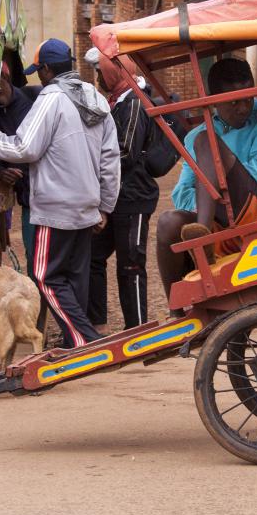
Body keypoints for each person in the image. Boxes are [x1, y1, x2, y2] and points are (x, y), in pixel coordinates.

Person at [0, 38, 120, 349]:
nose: (38, 77)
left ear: (47, 70)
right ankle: (81, 338)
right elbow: (110, 157)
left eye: (39, 71)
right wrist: (105, 205)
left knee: (45, 276)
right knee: (75, 277)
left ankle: (83, 339)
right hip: (86, 203)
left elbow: (24, 147)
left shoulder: (51, 98)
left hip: (55, 205)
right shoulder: (95, 97)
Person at [156, 58, 257, 313]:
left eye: (247, 99)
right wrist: (210, 196)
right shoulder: (195, 135)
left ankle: (203, 233)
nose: (242, 108)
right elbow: (182, 194)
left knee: (211, 145)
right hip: (220, 222)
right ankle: (177, 310)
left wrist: (216, 178)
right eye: (233, 101)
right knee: (167, 222)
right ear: (214, 99)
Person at [87, 48, 159, 331]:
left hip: (133, 197)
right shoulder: (119, 101)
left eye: (100, 72)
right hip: (117, 197)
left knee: (131, 264)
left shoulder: (133, 103)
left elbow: (125, 151)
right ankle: (97, 324)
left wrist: (92, 161)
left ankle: (137, 329)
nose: (98, 78)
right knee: (94, 256)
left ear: (113, 72)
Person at [0, 62, 41, 283]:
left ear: (3, 76)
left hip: (51, 195)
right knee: (34, 262)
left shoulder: (34, 101)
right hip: (28, 201)